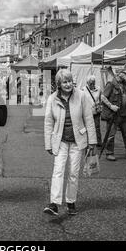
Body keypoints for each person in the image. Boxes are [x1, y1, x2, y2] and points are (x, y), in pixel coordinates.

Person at [43, 69, 97, 216]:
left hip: (77, 141)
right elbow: (48, 122)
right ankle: (54, 203)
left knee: (73, 173)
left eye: (69, 81)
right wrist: (48, 143)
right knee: (58, 171)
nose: (68, 84)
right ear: (59, 84)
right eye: (64, 82)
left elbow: (89, 119)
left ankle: (71, 201)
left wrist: (92, 141)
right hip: (60, 141)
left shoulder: (82, 96)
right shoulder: (52, 99)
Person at [101, 66, 126, 161]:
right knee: (111, 135)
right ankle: (109, 153)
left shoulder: (125, 84)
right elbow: (102, 97)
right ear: (119, 73)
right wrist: (111, 106)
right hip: (114, 115)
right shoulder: (111, 84)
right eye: (125, 73)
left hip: (125, 114)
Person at [82, 75, 102, 147]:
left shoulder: (98, 89)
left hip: (96, 111)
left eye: (93, 83)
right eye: (90, 83)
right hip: (87, 112)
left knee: (97, 127)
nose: (92, 84)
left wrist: (99, 106)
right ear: (87, 83)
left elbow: (100, 99)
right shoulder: (83, 90)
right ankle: (88, 141)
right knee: (88, 127)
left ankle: (98, 142)